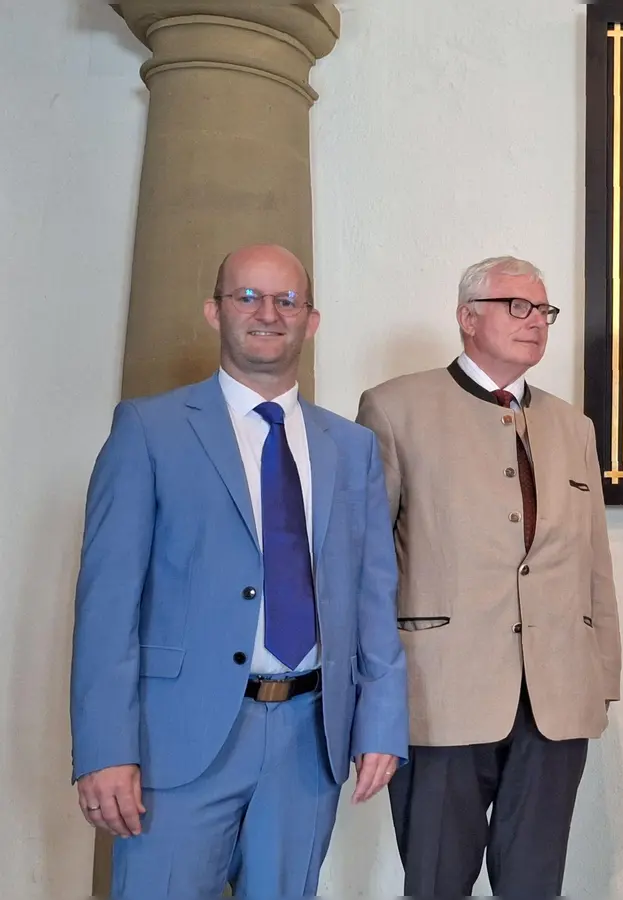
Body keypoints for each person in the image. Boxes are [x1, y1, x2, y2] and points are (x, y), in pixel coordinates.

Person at [69, 244, 409, 898]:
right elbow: (107, 604)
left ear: (311, 321)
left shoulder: (352, 447)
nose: (268, 314)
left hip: (309, 743)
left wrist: (383, 723)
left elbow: (373, 596)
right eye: (247, 297)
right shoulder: (149, 430)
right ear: (214, 312)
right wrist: (106, 748)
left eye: (288, 301)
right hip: (177, 740)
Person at [357, 255, 621, 898]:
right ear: (467, 318)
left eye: (544, 310)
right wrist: (372, 695)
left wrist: (601, 678)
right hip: (439, 695)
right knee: (437, 881)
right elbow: (366, 565)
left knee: (534, 885)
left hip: (555, 699)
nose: (535, 322)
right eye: (517, 306)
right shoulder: (395, 409)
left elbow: (594, 564)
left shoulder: (572, 425)